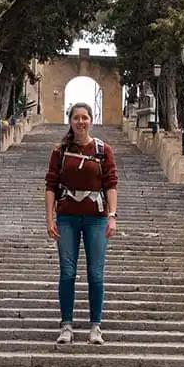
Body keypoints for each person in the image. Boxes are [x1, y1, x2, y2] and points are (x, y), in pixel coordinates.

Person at [45, 102, 118, 344]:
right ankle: (66, 325)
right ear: (70, 121)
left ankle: (95, 327)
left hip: (96, 219)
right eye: (76, 117)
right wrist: (49, 219)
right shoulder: (59, 151)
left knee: (96, 274)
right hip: (66, 218)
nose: (81, 121)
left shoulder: (102, 149)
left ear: (91, 120)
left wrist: (112, 216)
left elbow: (111, 184)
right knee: (67, 272)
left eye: (85, 117)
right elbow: (51, 185)